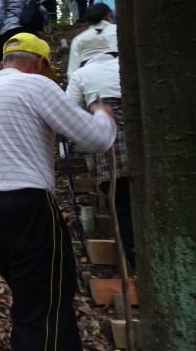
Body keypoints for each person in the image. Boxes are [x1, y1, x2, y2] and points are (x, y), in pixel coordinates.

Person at [0, 33, 117, 351]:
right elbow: (96, 140)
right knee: (44, 312)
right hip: (29, 210)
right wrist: (103, 114)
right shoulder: (38, 85)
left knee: (36, 304)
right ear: (41, 62)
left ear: (4, 61)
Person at [66, 34, 134, 268]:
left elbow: (70, 110)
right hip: (143, 133)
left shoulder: (81, 75)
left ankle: (132, 258)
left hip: (111, 140)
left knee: (122, 202)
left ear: (84, 58)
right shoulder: (125, 64)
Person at [67, 3, 118, 79]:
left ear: (88, 21)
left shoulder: (78, 39)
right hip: (119, 79)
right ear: (109, 15)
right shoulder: (118, 31)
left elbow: (72, 72)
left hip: (89, 82)